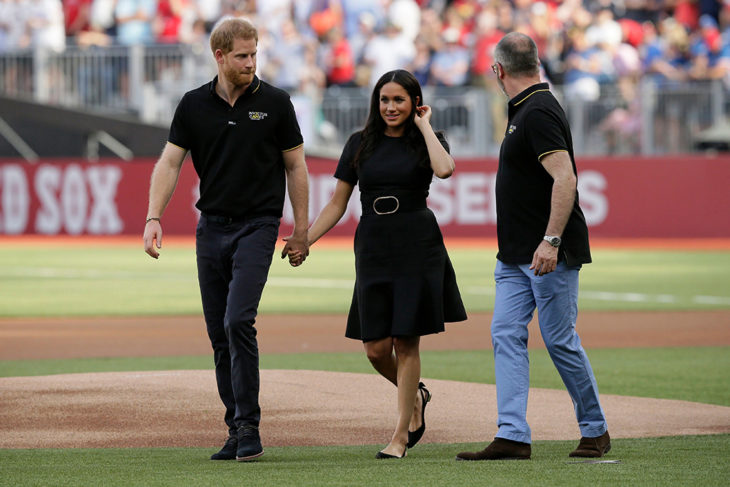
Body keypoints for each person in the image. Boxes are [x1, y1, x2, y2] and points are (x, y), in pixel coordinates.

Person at [143, 17, 310, 462]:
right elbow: (170, 162)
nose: (251, 63)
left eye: (254, 54)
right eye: (242, 55)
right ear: (219, 56)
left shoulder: (276, 103)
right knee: (219, 334)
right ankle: (235, 426)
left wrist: (301, 229)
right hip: (210, 228)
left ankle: (250, 426)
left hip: (258, 225)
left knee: (239, 320)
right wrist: (153, 216)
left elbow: (296, 167)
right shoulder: (193, 104)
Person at [289, 69, 467, 459]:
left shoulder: (428, 140)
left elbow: (445, 169)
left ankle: (400, 436)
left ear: (414, 103)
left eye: (399, 100)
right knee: (374, 348)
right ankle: (416, 394)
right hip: (373, 244)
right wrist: (305, 238)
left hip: (417, 243)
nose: (390, 107)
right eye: (384, 100)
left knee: (406, 341)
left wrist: (424, 126)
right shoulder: (359, 143)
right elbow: (338, 202)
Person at [456, 32, 610, 461]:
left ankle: (595, 430)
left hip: (546, 254)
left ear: (498, 70)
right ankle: (512, 435)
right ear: (537, 64)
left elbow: (566, 178)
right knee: (505, 333)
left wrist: (551, 240)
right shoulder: (527, 107)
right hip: (514, 255)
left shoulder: (538, 110)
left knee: (559, 339)